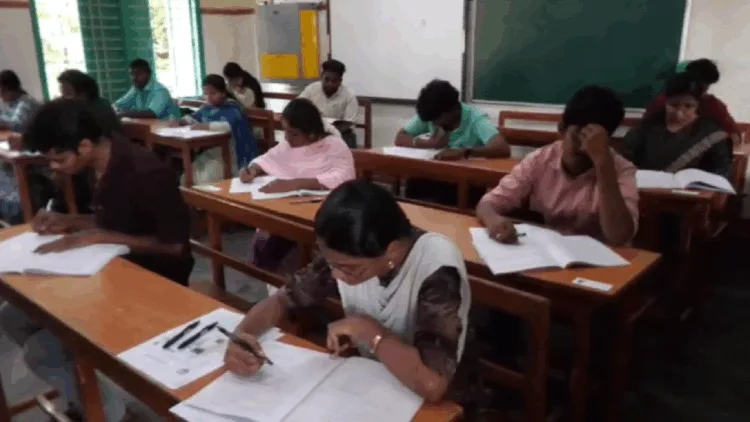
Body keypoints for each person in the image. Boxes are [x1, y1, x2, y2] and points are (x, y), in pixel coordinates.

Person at [0, 99, 194, 421]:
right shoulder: (95, 165)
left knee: (42, 351)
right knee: (12, 317)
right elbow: (115, 220)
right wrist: (69, 221)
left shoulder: (146, 171)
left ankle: (113, 415)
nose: (55, 168)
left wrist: (103, 236)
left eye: (59, 159)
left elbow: (175, 246)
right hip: (110, 270)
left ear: (85, 146)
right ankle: (88, 398)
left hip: (156, 281)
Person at [224, 180, 472, 405]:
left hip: (438, 403)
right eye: (332, 264)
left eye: (348, 268)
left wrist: (368, 330)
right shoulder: (348, 253)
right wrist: (241, 336)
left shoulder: (437, 269)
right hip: (376, 384)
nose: (335, 275)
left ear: (393, 252)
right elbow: (283, 299)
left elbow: (433, 385)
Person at [476, 85, 639, 246]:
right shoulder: (540, 160)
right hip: (551, 249)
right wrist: (494, 220)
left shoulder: (620, 169)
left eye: (594, 141)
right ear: (561, 129)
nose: (585, 147)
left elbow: (619, 236)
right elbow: (488, 203)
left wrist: (603, 164)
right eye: (579, 137)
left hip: (602, 253)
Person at [239, 98, 354, 288]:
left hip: (321, 212)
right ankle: (280, 286)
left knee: (286, 239)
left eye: (293, 133)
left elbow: (344, 176)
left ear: (312, 134)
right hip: (287, 207)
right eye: (285, 130)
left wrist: (296, 183)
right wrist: (252, 170)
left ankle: (300, 287)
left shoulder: (334, 146)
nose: (287, 138)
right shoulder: (288, 145)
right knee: (269, 236)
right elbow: (268, 159)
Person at [394, 79, 510, 207]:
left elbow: (502, 148)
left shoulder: (475, 118)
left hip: (464, 180)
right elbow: (400, 137)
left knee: (446, 195)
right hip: (433, 173)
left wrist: (465, 152)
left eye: (437, 119)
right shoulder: (431, 113)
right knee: (414, 186)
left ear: (454, 109)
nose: (434, 123)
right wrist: (428, 144)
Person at [621, 72, 733, 179]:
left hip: (691, 192)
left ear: (698, 105)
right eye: (673, 105)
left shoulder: (713, 135)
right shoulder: (646, 127)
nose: (679, 113)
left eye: (688, 106)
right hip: (645, 188)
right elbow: (625, 161)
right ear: (665, 102)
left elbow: (721, 174)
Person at [175, 74, 257, 185]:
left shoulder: (233, 108)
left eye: (213, 93)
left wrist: (205, 126)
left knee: (204, 181)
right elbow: (195, 117)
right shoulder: (208, 107)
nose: (209, 97)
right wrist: (183, 121)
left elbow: (227, 126)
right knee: (186, 178)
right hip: (210, 152)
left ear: (223, 93)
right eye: (206, 94)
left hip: (230, 155)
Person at [644, 58, 741, 145]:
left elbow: (734, 135)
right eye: (699, 85)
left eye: (707, 86)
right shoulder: (663, 102)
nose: (703, 90)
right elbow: (645, 131)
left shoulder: (713, 105)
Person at [0, 69, 45, 223]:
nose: (1, 96)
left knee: (7, 171)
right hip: (18, 146)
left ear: (10, 89)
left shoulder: (26, 102)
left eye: (2, 92)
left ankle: (17, 213)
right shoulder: (8, 103)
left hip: (35, 151)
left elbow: (17, 124)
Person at [299, 59, 359, 148]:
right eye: (326, 79)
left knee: (348, 145)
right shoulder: (311, 89)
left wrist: (328, 132)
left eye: (334, 81)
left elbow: (348, 124)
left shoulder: (349, 96)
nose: (329, 84)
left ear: (340, 81)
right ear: (321, 77)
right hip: (314, 131)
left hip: (340, 134)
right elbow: (298, 107)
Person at [113, 58, 181, 120]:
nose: (134, 78)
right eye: (132, 74)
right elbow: (117, 105)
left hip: (170, 127)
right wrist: (114, 110)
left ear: (148, 74)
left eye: (138, 74)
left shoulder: (160, 91)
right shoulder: (135, 89)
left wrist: (123, 114)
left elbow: (151, 114)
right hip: (151, 127)